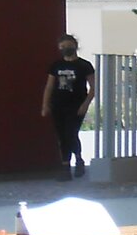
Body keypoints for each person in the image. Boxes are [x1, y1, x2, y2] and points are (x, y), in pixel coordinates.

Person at [41, 35, 96, 179]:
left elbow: (93, 88)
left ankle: (78, 160)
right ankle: (66, 165)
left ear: (75, 45)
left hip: (76, 105)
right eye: (63, 47)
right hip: (58, 104)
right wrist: (45, 105)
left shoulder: (85, 65)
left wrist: (85, 105)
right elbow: (49, 86)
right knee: (62, 136)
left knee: (71, 132)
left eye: (68, 46)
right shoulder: (56, 65)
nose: (66, 49)